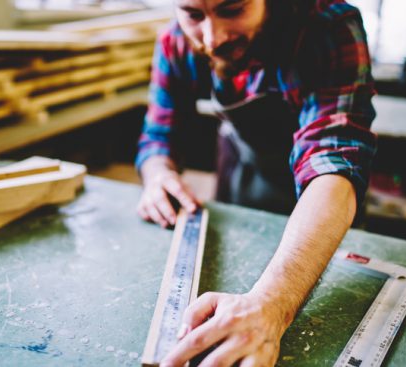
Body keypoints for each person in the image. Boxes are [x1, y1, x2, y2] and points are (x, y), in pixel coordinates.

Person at [136, 0, 377, 365]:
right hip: (242, 172)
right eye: (193, 14)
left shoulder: (327, 27)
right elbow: (158, 135)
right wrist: (158, 175)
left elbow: (334, 161)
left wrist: (272, 304)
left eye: (232, 10)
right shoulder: (176, 41)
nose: (212, 38)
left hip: (325, 196)